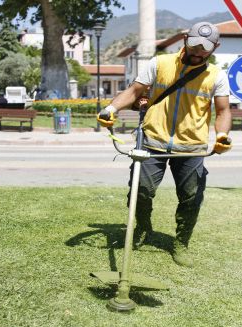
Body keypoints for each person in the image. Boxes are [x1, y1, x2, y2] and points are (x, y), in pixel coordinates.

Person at [96, 22, 232, 267]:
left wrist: (222, 136)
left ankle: (181, 242)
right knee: (141, 191)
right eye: (194, 46)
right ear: (184, 40)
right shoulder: (160, 63)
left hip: (192, 147)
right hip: (152, 141)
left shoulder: (217, 76)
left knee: (191, 197)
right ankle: (143, 227)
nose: (198, 52)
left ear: (215, 48)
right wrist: (110, 108)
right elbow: (134, 91)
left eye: (205, 48)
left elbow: (223, 111)